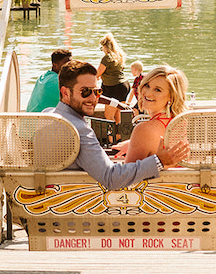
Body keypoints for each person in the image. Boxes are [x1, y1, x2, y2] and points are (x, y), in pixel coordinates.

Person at [45, 60, 188, 190]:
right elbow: (114, 179)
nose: (93, 98)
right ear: (65, 92)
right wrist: (158, 161)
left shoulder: (48, 115)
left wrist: (136, 142)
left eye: (97, 91)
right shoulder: (80, 131)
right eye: (86, 92)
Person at [123, 65, 190, 163]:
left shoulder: (144, 129)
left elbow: (128, 174)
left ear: (171, 97)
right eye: (147, 85)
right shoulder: (180, 123)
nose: (148, 93)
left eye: (157, 90)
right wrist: (132, 143)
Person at [26, 47, 72, 112]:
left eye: (70, 64)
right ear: (55, 65)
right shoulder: (57, 81)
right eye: (65, 64)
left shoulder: (43, 77)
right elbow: (74, 101)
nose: (69, 67)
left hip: (29, 119)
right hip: (40, 120)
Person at [96, 33, 128, 122]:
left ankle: (111, 136)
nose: (102, 50)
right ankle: (119, 136)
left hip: (113, 88)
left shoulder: (107, 58)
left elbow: (98, 73)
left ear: (105, 47)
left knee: (109, 116)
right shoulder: (119, 56)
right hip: (123, 86)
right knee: (119, 116)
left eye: (101, 48)